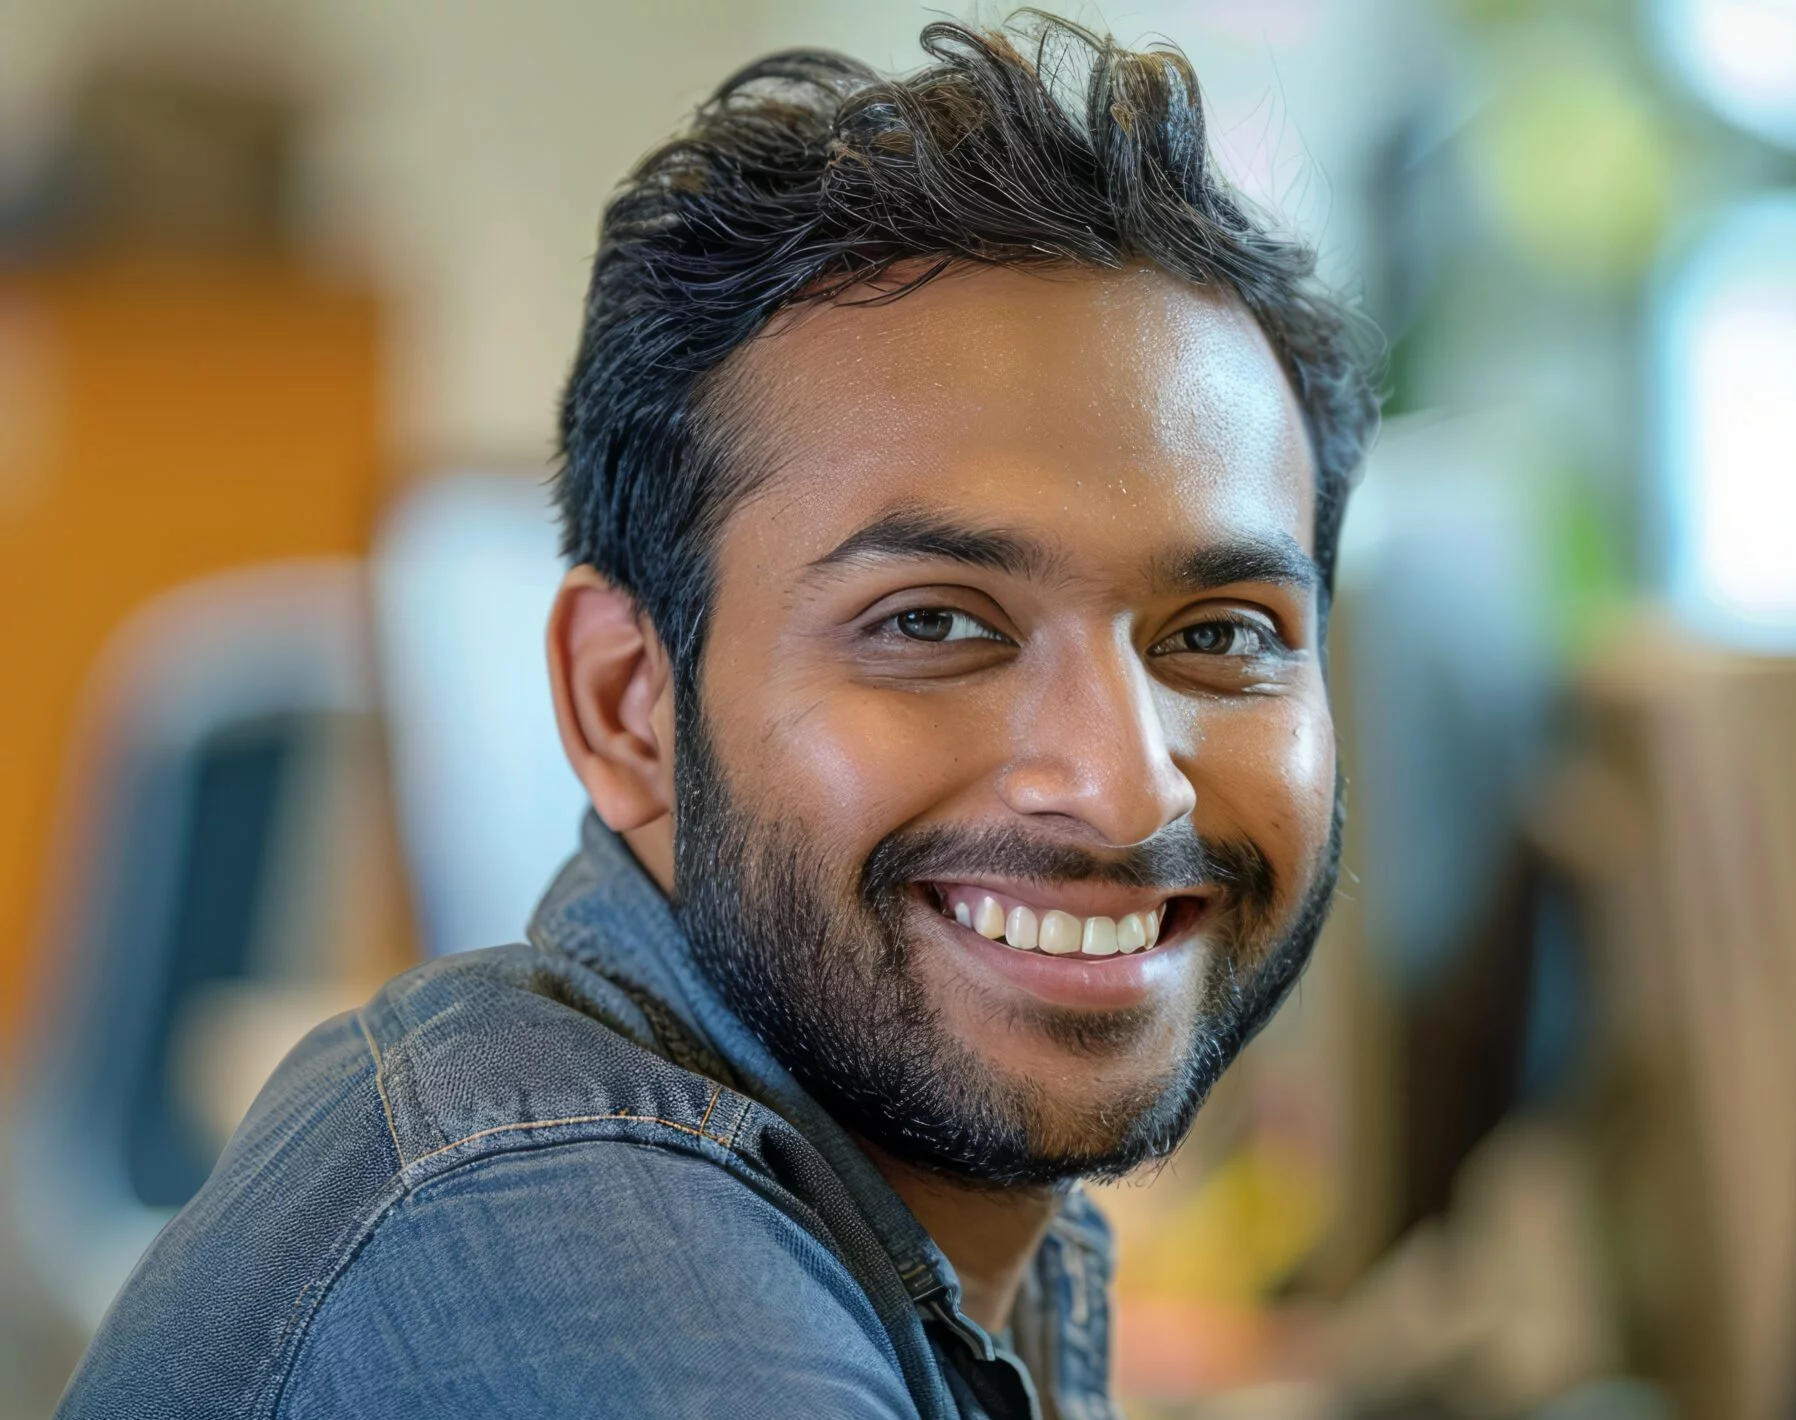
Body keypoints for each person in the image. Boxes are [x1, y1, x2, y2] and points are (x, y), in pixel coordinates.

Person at [57, 14, 1377, 1418]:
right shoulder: (562, 1242)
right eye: (934, 624)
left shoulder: (948, 1229)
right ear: (627, 703)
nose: (1125, 790)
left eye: (1223, 635)